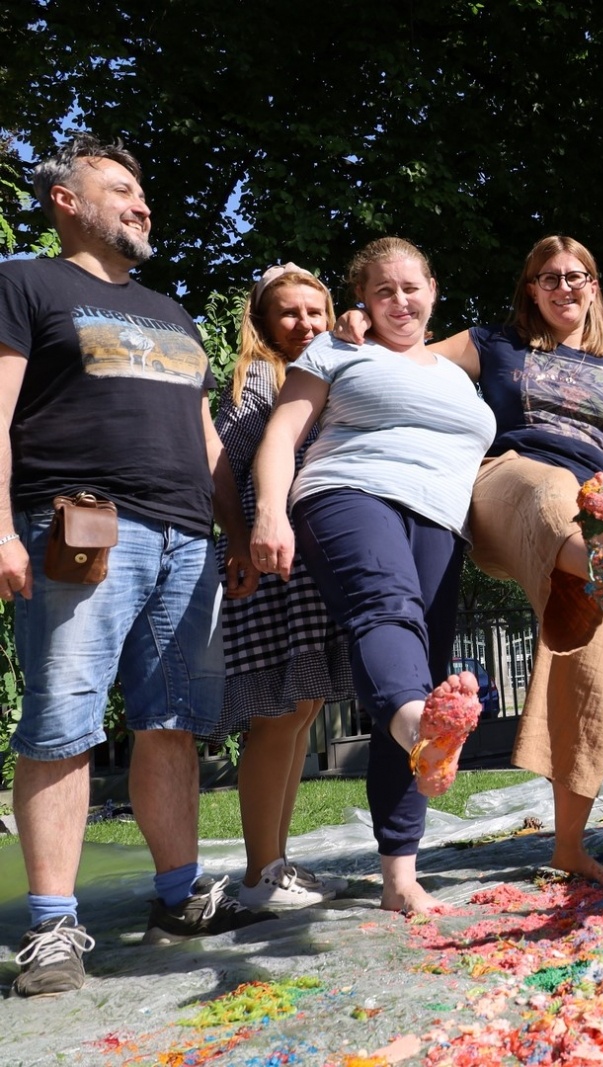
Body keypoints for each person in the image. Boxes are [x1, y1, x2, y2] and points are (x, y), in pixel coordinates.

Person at [0, 135, 271, 997]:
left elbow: (208, 441)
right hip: (80, 527)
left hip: (187, 536)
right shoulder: (24, 283)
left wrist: (237, 528)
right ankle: (50, 925)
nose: (141, 202)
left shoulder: (174, 311)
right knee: (62, 718)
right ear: (65, 201)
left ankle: (177, 895)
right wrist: (1, 529)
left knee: (174, 721)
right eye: (120, 188)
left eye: (143, 190)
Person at [341, 234, 603, 880]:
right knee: (548, 490)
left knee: (595, 662)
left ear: (593, 286)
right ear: (531, 289)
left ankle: (570, 846)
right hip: (509, 482)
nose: (563, 286)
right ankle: (597, 557)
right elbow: (406, 353)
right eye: (548, 276)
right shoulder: (494, 344)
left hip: (597, 500)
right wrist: (361, 323)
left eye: (577, 275)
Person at [252, 236, 496, 912]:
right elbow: (280, 436)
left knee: (417, 676)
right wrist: (270, 511)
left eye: (410, 287)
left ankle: (399, 875)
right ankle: (429, 730)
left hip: (441, 521)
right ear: (362, 301)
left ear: (433, 289)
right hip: (347, 493)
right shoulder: (337, 348)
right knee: (384, 613)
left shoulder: (458, 372)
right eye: (383, 291)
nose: (399, 301)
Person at [213, 263, 354, 908]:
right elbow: (225, 469)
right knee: (277, 711)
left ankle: (277, 863)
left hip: (312, 549)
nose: (305, 323)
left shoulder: (334, 364)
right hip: (273, 554)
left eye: (315, 311)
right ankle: (259, 873)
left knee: (302, 712)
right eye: (289, 313)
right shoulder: (259, 378)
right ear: (264, 322)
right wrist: (241, 539)